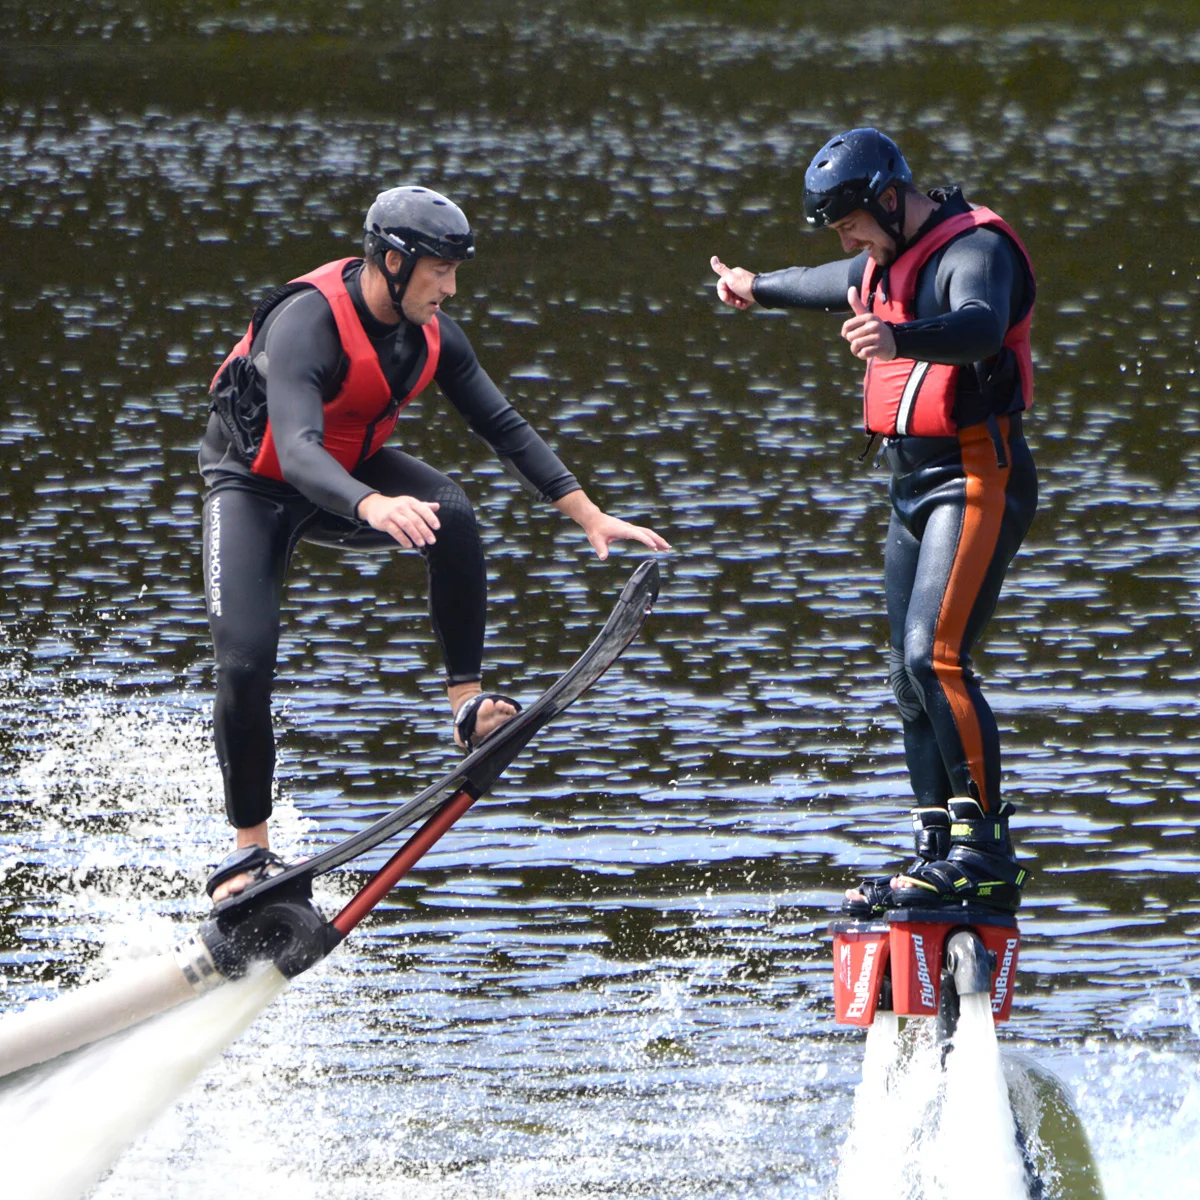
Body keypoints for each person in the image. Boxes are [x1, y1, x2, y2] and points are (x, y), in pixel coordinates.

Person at [200, 185, 669, 903]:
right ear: (392, 261)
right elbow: (294, 450)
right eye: (439, 271)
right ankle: (247, 857)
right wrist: (373, 502)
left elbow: (502, 425)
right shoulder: (307, 324)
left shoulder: (433, 333)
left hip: (351, 474)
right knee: (243, 659)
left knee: (452, 513)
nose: (450, 288)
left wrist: (589, 516)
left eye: (456, 272)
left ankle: (468, 709)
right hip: (254, 484)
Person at [711, 128, 1036, 914]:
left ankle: (985, 851)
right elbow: (830, 280)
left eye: (854, 223)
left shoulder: (975, 251)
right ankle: (935, 848)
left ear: (892, 199)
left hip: (975, 475)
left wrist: (899, 337)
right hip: (911, 485)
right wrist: (758, 286)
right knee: (902, 675)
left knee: (936, 657)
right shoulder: (885, 257)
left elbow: (980, 327)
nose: (850, 242)